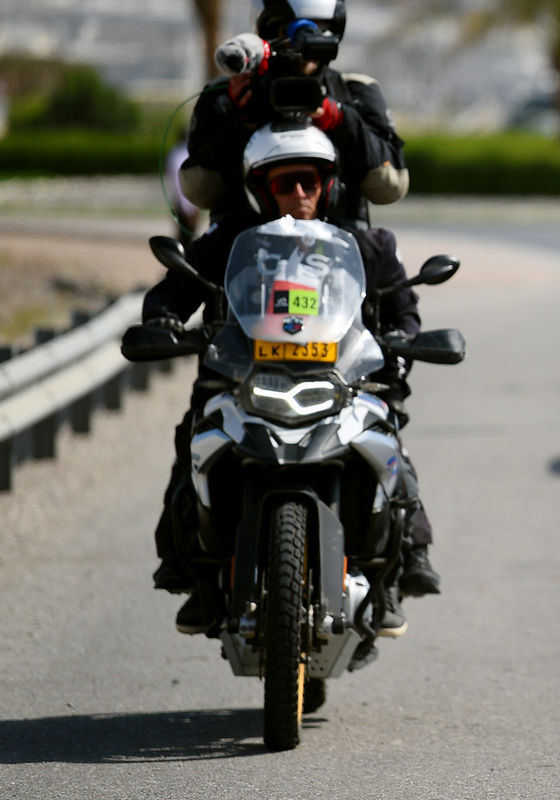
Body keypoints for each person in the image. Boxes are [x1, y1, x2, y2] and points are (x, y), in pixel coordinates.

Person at [145, 121, 439, 639]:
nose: (300, 193)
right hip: (244, 379)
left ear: (328, 185)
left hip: (341, 378)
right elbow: (173, 288)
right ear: (261, 189)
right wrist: (163, 318)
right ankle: (189, 569)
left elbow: (403, 307)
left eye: (310, 180)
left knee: (390, 442)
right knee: (192, 439)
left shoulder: (366, 244)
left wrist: (400, 344)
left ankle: (404, 562)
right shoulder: (227, 243)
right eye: (286, 182)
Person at [180, 0, 407, 231]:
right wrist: (240, 120)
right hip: (242, 244)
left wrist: (340, 118)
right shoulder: (226, 95)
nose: (304, 42)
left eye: (318, 28)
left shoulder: (356, 92)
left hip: (340, 244)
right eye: (289, 30)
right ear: (267, 32)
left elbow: (391, 187)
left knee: (382, 248)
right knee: (199, 253)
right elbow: (199, 192)